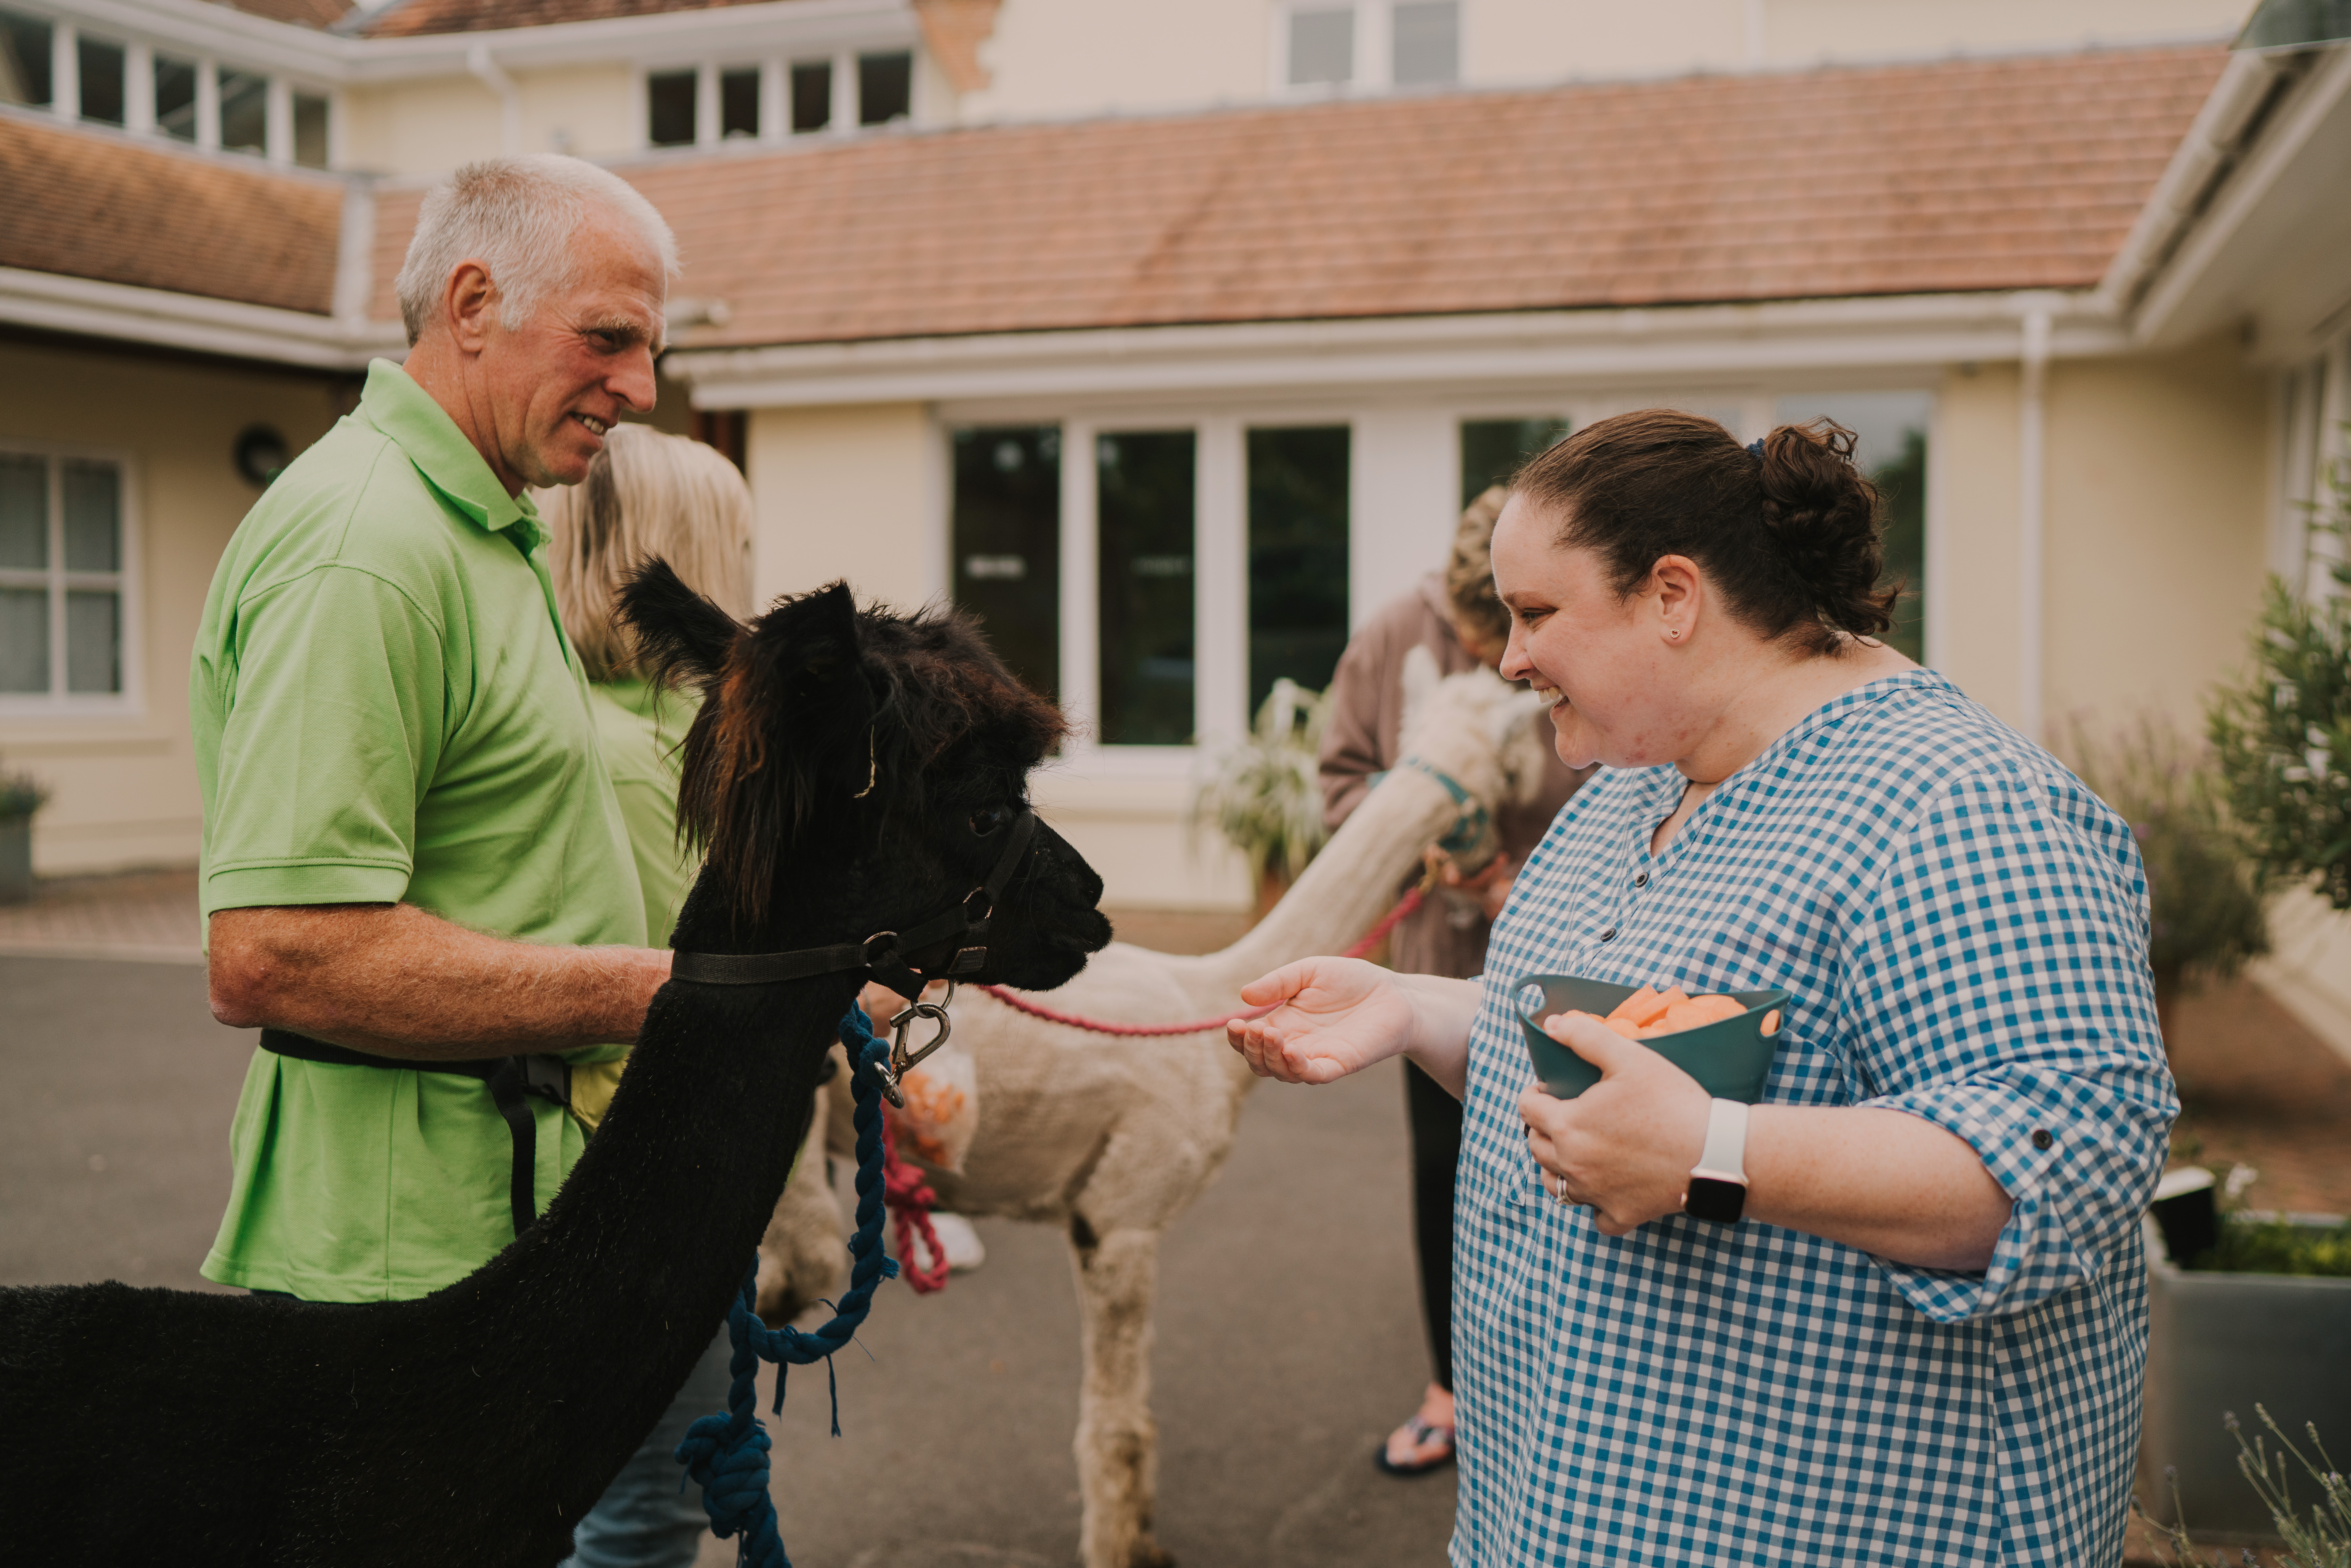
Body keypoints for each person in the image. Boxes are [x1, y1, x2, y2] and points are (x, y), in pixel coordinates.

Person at [1230, 411, 2174, 1566]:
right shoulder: (1634, 782)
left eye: (1535, 613)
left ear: (1672, 596)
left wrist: (1716, 1157)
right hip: (1565, 1513)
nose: (1508, 658)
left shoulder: (1956, 806)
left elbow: (2067, 1155)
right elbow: (1613, 1052)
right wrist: (1418, 1008)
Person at [191, 155, 694, 1558]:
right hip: (409, 1268)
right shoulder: (368, 545)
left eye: (651, 346)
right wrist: (661, 990)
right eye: (610, 337)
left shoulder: (481, 522)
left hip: (502, 1229)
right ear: (472, 303)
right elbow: (281, 951)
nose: (642, 387)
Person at [1316, 487, 1589, 1476]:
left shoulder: (1572, 641)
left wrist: (1533, 878)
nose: (1499, 660)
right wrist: (1418, 841)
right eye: (1483, 634)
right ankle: (1449, 1385)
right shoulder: (1392, 633)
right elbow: (1340, 775)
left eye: (1518, 628)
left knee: (1576, 1167)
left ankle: (1557, 1391)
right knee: (1448, 1177)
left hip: (1569, 969)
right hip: (1437, 964)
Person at [534, 422, 754, 1566]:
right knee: (644, 1519)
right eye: (740, 549)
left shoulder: (616, 725)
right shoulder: (644, 760)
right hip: (645, 1172)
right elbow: (704, 978)